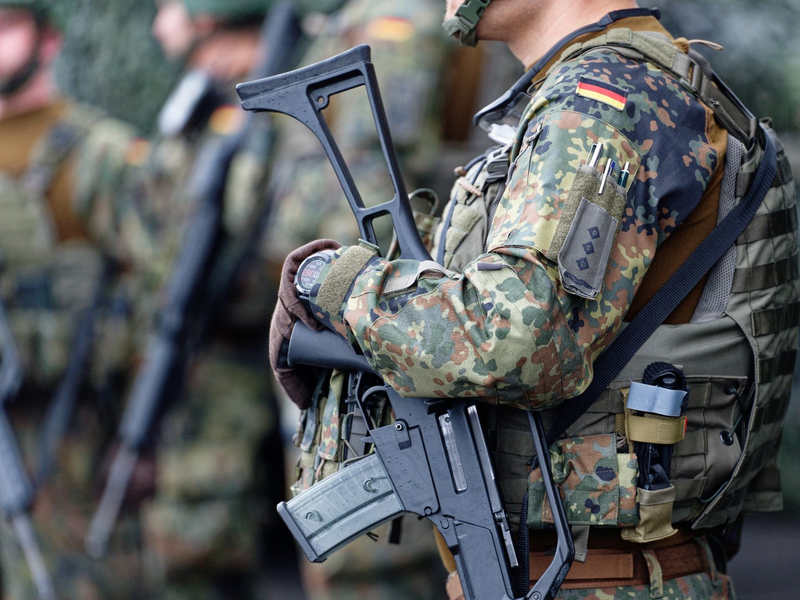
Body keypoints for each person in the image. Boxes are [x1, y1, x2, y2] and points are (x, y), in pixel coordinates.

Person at [268, 0, 798, 599]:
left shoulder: (603, 101)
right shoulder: (620, 86)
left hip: (593, 577)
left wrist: (333, 285)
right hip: (577, 573)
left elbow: (516, 338)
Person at [264, 1, 455, 599]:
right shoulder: (334, 25)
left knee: (369, 552)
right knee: (334, 529)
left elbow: (376, 175)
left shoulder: (395, 28)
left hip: (361, 309)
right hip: (327, 306)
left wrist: (337, 289)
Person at [0, 0, 156, 598]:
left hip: (74, 436)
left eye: (7, 24)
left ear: (49, 40)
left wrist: (144, 437)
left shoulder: (99, 153)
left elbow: (162, 289)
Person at [139, 1, 291, 598]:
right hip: (204, 342)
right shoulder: (205, 103)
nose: (159, 25)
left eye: (167, 7)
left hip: (255, 344)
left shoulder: (272, 95)